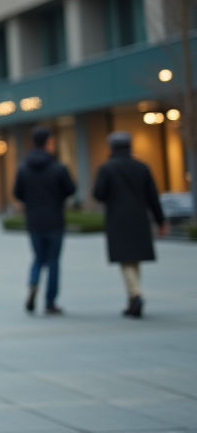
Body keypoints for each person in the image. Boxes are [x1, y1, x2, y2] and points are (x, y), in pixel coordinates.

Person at [92, 131, 167, 318]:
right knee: (133, 258)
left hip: (118, 218)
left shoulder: (107, 168)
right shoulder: (142, 167)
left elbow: (98, 194)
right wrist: (160, 220)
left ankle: (135, 294)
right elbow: (153, 196)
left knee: (126, 258)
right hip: (140, 217)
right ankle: (132, 298)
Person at [13, 126, 76, 316]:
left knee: (38, 259)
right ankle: (50, 302)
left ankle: (33, 284)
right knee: (53, 262)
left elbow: (17, 192)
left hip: (34, 221)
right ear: (48, 141)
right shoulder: (58, 166)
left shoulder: (24, 167)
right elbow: (71, 189)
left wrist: (31, 202)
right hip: (55, 220)